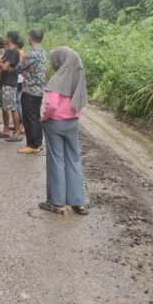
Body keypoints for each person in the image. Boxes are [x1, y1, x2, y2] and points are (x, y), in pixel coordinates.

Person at [39, 47, 89, 216]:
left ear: (58, 61)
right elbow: (81, 101)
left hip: (55, 124)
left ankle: (58, 203)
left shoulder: (57, 79)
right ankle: (79, 202)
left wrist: (44, 118)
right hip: (72, 123)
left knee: (56, 160)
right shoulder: (77, 77)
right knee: (74, 159)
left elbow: (51, 105)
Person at [16, 29, 47, 155]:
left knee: (29, 118)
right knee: (36, 117)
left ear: (30, 38)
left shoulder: (30, 54)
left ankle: (32, 145)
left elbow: (18, 68)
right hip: (39, 90)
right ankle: (38, 143)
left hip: (29, 90)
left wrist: (24, 71)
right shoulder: (43, 53)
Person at [0, 31, 23, 142]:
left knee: (12, 107)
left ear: (10, 38)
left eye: (6, 37)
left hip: (10, 83)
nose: (4, 39)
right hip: (3, 82)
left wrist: (2, 65)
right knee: (4, 107)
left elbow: (4, 67)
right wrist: (3, 65)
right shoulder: (7, 51)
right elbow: (2, 64)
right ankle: (6, 130)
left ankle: (17, 132)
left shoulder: (14, 52)